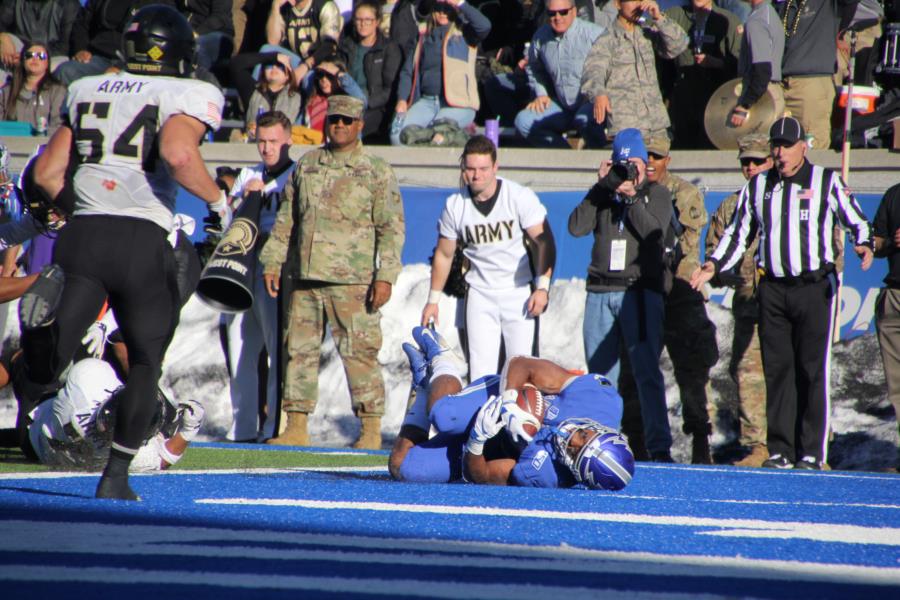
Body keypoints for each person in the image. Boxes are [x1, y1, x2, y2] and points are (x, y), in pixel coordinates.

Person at [21, 5, 230, 500]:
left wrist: (82, 209)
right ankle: (115, 478)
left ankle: (42, 341)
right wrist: (219, 201)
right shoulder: (187, 92)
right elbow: (179, 155)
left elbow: (47, 174)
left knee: (49, 363)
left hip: (83, 235)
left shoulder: (88, 87)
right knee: (143, 362)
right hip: (140, 239)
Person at [691, 117, 873, 470]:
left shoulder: (825, 181)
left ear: (803, 146)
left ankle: (810, 451)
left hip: (813, 287)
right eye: (775, 145)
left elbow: (855, 218)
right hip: (772, 287)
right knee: (778, 369)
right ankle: (780, 449)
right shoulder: (759, 186)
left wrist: (863, 243)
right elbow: (738, 232)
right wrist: (713, 265)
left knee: (810, 369)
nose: (780, 152)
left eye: (786, 145)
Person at [259, 95, 405, 450]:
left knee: (359, 353)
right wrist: (273, 261)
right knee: (299, 351)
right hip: (304, 278)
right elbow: (287, 220)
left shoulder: (376, 170)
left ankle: (370, 430)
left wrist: (385, 275)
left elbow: (391, 227)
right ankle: (295, 426)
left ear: (359, 125)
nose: (338, 125)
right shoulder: (307, 165)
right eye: (333, 120)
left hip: (352, 281)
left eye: (345, 120)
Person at [389, 325, 635, 489]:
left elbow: (482, 475)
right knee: (444, 416)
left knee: (403, 469)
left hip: (491, 445)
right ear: (600, 429)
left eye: (574, 452)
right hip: (498, 398)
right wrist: (509, 402)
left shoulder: (546, 475)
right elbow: (521, 363)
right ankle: (444, 361)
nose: (571, 438)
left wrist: (477, 440)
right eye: (583, 435)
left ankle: (423, 386)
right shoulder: (599, 400)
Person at [567, 128, 674, 462]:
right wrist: (601, 187)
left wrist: (630, 196)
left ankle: (659, 448)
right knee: (600, 379)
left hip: (638, 293)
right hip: (600, 290)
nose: (628, 170)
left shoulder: (657, 194)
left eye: (634, 164)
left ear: (645, 164)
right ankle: (601, 446)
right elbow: (575, 227)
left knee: (646, 373)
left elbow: (654, 232)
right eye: (621, 163)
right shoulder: (603, 194)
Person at [422, 135, 554, 381]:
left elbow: (543, 240)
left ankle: (519, 419)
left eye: (483, 168)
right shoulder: (455, 205)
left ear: (495, 167)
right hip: (480, 293)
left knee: (522, 370)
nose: (476, 175)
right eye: (470, 169)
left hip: (517, 292)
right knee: (481, 373)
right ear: (463, 169)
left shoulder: (518, 196)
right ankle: (483, 420)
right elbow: (444, 253)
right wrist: (433, 300)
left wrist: (542, 288)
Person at [618, 136, 717, 464]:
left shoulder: (683, 193)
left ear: (668, 159)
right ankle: (638, 442)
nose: (649, 162)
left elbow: (686, 250)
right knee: (633, 371)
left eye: (656, 156)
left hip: (677, 290)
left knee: (691, 369)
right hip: (640, 290)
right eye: (643, 156)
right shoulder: (625, 187)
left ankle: (700, 442)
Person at [222, 111, 295, 443]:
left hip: (275, 265)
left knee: (276, 347)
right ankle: (243, 426)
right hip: (243, 264)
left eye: (274, 141)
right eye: (262, 141)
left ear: (288, 140)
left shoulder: (296, 174)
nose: (267, 148)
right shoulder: (247, 174)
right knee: (240, 345)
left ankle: (274, 427)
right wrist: (242, 198)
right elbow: (227, 221)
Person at [705, 133, 771, 467]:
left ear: (771, 160)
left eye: (758, 160)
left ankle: (800, 443)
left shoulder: (787, 198)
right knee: (747, 372)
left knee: (793, 370)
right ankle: (756, 445)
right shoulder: (731, 206)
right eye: (746, 161)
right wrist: (726, 275)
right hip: (748, 304)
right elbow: (712, 257)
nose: (751, 167)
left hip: (790, 301)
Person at [25, 358, 204, 474]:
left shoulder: (87, 377)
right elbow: (164, 459)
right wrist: (188, 430)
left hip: (39, 426)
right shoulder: (132, 455)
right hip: (42, 444)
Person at [580, 0, 688, 141]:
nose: (637, 5)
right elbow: (592, 72)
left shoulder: (648, 33)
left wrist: (659, 18)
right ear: (617, 4)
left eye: (640, 0)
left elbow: (679, 45)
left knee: (658, 162)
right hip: (627, 127)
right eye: (632, 1)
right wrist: (599, 93)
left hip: (656, 125)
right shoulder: (607, 39)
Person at [391, 0, 491, 146]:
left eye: (448, 9)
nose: (443, 13)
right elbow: (407, 72)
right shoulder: (421, 35)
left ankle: (463, 135)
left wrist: (460, 3)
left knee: (438, 136)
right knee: (397, 136)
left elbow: (485, 25)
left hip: (459, 104)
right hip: (426, 102)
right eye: (439, 8)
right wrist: (401, 100)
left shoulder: (465, 32)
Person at [512, 0, 606, 149]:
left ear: (574, 11)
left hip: (591, 103)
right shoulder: (540, 37)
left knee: (584, 118)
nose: (558, 17)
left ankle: (600, 160)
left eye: (563, 12)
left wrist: (598, 95)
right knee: (523, 121)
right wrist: (541, 93)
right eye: (552, 13)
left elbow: (613, 70)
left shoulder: (595, 34)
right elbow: (534, 68)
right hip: (562, 105)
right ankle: (565, 157)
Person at [228, 0, 342, 109]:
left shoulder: (325, 6)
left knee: (308, 80)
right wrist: (275, 7)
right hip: (296, 60)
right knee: (266, 49)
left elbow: (330, 45)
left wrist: (305, 66)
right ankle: (253, 101)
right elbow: (272, 42)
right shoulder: (286, 7)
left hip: (320, 64)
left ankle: (301, 120)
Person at [776, 0, 859, 148]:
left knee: (812, 147)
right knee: (781, 147)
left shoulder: (825, 4)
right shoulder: (785, 5)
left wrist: (840, 31)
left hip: (811, 85)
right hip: (782, 84)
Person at [665, 0, 740, 148]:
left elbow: (739, 65)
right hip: (683, 102)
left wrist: (717, 63)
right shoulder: (677, 16)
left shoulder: (727, 20)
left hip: (716, 103)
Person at [55, 0, 173, 86]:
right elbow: (82, 24)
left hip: (135, 65)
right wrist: (80, 49)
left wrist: (121, 66)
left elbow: (160, 41)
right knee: (66, 71)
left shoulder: (161, 4)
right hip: (98, 58)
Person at [338, 0, 403, 142]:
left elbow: (390, 89)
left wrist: (367, 102)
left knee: (354, 126)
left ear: (377, 21)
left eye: (368, 20)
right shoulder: (347, 46)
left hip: (375, 107)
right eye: (359, 19)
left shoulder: (389, 49)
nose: (363, 24)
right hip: (349, 103)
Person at [871, 182, 900, 472]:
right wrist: (890, 241)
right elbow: (875, 241)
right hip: (895, 297)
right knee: (898, 387)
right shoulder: (894, 194)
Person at [728, 0, 785, 135]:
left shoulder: (758, 20)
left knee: (756, 151)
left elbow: (762, 71)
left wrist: (745, 104)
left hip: (762, 95)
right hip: (771, 91)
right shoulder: (768, 13)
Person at [0, 42, 66, 136]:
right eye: (29, 55)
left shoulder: (58, 91)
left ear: (47, 63)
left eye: (41, 56)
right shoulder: (6, 92)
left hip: (44, 147)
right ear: (23, 61)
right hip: (11, 145)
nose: (35, 58)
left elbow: (58, 126)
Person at [0, 0, 81, 73]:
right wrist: (2, 36)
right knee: (4, 41)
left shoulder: (69, 4)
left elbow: (63, 47)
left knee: (57, 69)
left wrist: (29, 56)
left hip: (52, 55)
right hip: (22, 49)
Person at [244, 54, 302, 140]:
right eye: (269, 64)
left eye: (280, 66)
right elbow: (236, 64)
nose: (274, 67)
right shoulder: (253, 91)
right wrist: (272, 57)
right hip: (254, 142)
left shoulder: (296, 97)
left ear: (288, 74)